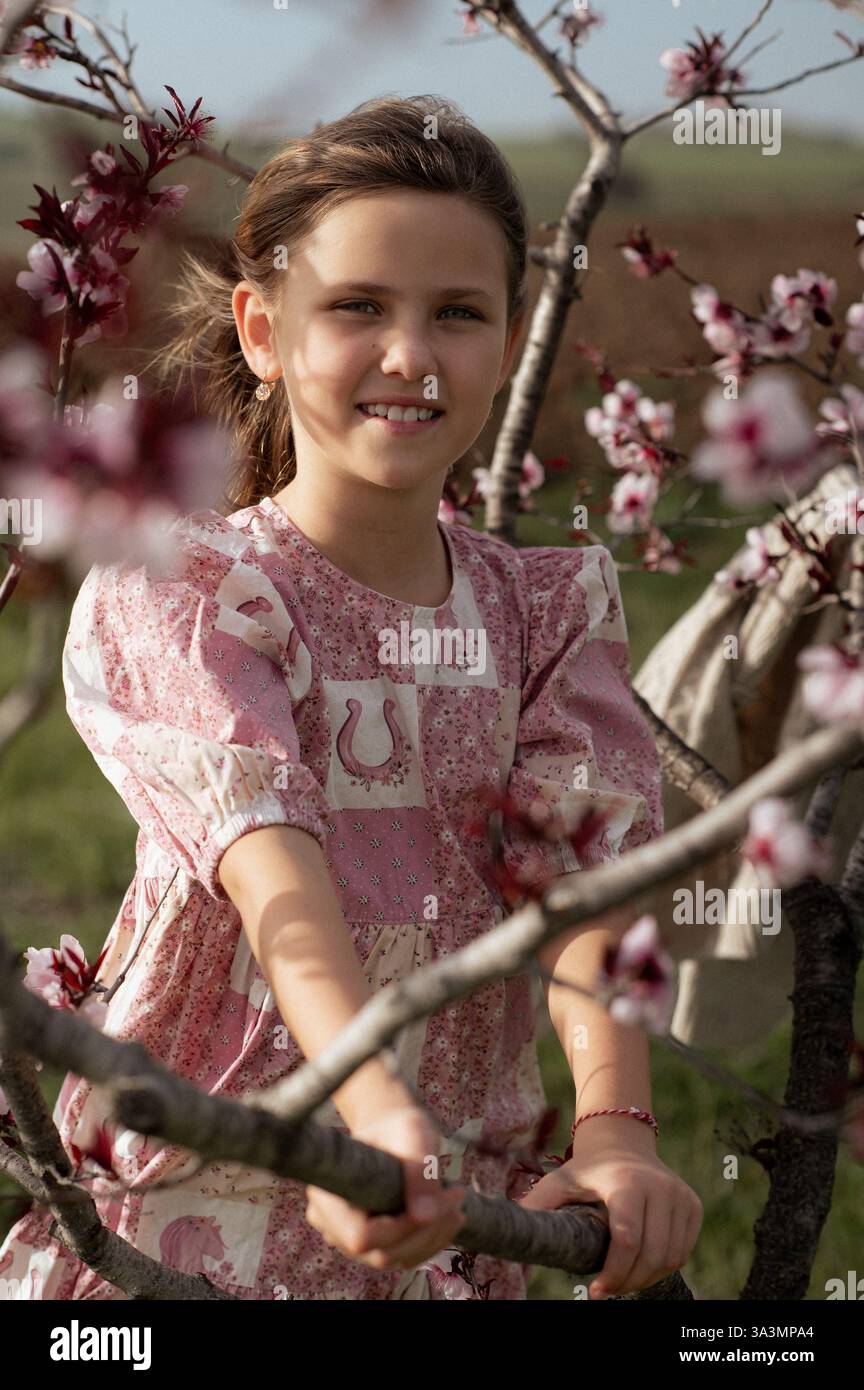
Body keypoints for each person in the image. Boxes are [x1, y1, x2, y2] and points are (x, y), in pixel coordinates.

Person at [0, 94, 702, 1301]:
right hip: (202, 1194)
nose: (411, 355)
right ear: (264, 331)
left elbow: (582, 884)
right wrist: (366, 1109)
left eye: (459, 314)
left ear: (509, 334)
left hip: (450, 1216)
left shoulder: (546, 611)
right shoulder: (191, 590)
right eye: (358, 308)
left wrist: (615, 1131)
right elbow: (277, 874)